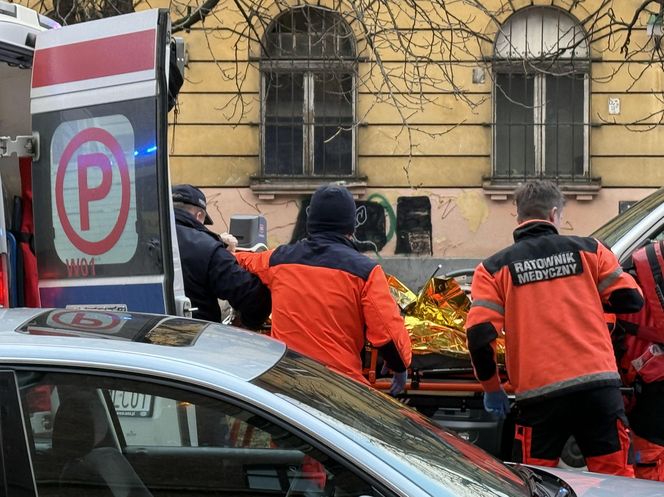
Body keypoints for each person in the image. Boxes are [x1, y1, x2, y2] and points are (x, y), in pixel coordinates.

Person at [465, 180, 644, 477]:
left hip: (539, 397)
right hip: (597, 388)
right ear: (553, 214)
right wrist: (586, 300)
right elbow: (631, 299)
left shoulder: (493, 268)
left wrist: (492, 388)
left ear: (519, 217)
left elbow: (479, 337)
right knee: (617, 480)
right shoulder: (590, 250)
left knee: (532, 481)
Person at [236, 184, 412, 394]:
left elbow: (240, 262)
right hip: (338, 389)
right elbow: (387, 332)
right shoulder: (366, 272)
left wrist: (225, 247)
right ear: (352, 225)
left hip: (285, 384)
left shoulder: (277, 260)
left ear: (310, 221)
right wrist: (400, 366)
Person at [172, 184, 271, 327]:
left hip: (144, 342)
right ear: (199, 216)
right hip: (196, 340)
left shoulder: (140, 241)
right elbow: (253, 298)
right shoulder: (206, 247)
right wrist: (245, 325)